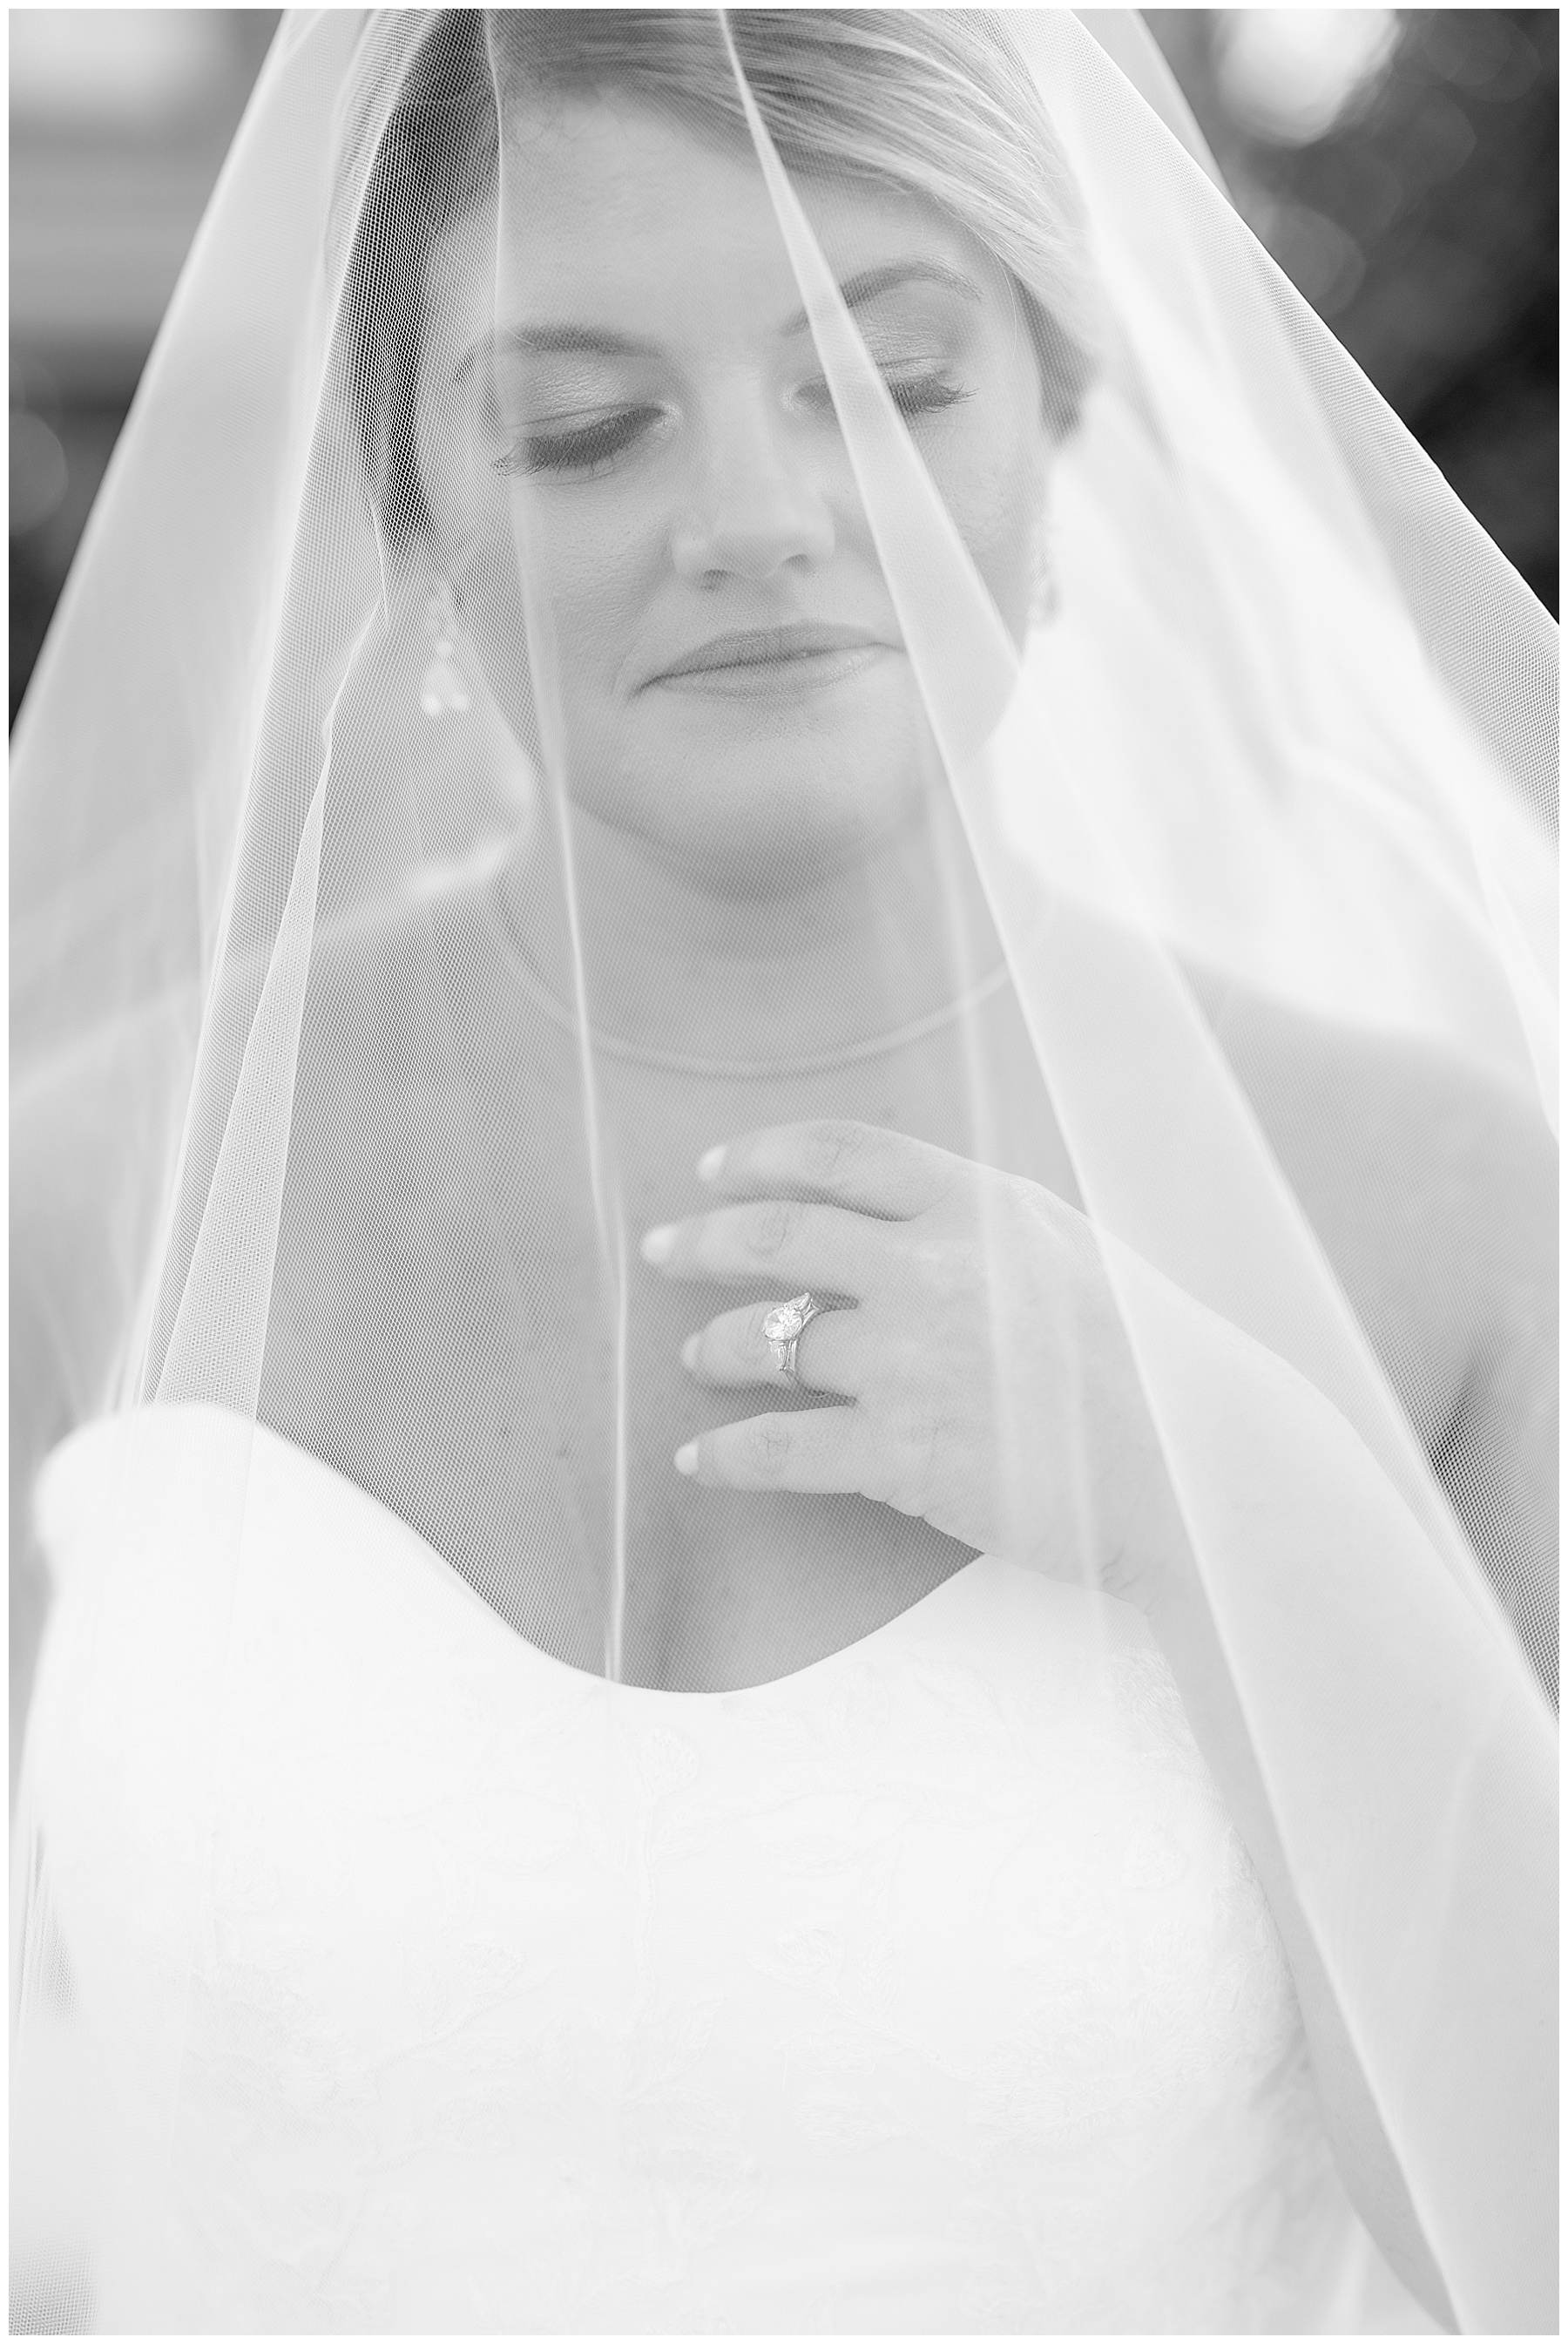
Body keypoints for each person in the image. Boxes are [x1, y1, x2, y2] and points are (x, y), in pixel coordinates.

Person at [10, 11, 1555, 2334]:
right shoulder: (87, 1188)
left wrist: (1220, 1489)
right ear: (412, 523)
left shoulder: (1450, 1217)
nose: (756, 514)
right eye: (582, 424)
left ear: (1063, 423)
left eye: (891, 383)